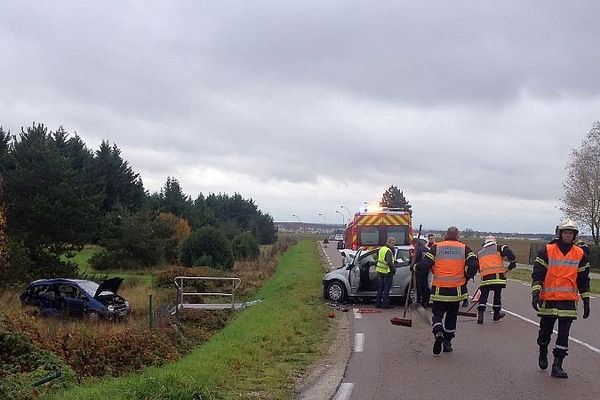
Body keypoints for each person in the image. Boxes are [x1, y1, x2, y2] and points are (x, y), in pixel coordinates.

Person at [532, 220, 591, 379]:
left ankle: (557, 365)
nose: (568, 235)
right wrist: (535, 292)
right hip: (549, 299)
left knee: (563, 334)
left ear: (574, 236)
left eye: (570, 233)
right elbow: (538, 273)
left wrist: (586, 300)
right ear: (560, 234)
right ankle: (543, 349)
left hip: (568, 301)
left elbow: (583, 279)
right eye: (565, 232)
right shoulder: (547, 250)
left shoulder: (580, 254)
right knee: (545, 332)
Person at [415, 226, 479, 355]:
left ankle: (438, 331)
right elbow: (474, 263)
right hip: (456, 291)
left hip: (439, 289)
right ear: (458, 236)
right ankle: (447, 343)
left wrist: (415, 267)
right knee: (451, 317)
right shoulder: (464, 248)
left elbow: (426, 263)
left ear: (445, 235)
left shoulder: (436, 247)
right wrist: (467, 276)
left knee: (437, 315)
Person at [476, 235, 517, 324]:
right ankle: (496, 315)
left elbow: (477, 266)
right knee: (497, 296)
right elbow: (509, 252)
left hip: (485, 278)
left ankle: (480, 315)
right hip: (498, 277)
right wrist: (512, 263)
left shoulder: (480, 253)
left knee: (483, 296)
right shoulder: (499, 247)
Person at [375, 237, 396, 309]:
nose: (393, 245)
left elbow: (378, 259)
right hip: (387, 272)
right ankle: (385, 303)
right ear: (389, 242)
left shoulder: (382, 249)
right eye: (393, 243)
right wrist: (393, 270)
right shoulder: (388, 251)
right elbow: (389, 262)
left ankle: (378, 303)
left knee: (380, 289)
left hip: (380, 272)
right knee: (386, 289)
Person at [412, 237, 430, 308]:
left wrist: (412, 266)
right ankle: (425, 302)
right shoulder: (426, 249)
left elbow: (415, 260)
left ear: (415, 243)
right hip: (426, 270)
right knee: (425, 286)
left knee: (418, 287)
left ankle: (418, 302)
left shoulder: (417, 250)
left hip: (419, 270)